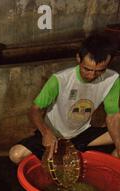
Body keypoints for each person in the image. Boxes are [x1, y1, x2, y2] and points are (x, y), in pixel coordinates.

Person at [9, 34, 120, 164]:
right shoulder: (60, 80)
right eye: (87, 69)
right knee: (15, 155)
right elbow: (34, 110)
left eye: (99, 71)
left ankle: (107, 172)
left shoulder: (112, 79)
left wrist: (118, 144)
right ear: (78, 58)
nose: (92, 75)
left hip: (82, 133)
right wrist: (46, 133)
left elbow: (112, 116)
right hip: (55, 135)